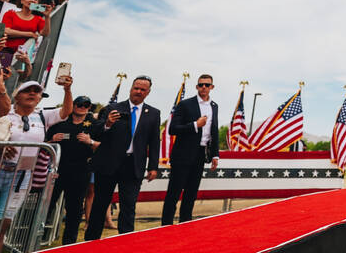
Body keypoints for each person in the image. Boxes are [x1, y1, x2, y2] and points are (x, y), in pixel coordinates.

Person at [0, 77, 73, 253]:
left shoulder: (43, 114)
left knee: (4, 223)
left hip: (21, 177)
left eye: (37, 92)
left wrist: (67, 90)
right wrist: (0, 146)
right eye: (28, 91)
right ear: (17, 96)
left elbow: (66, 112)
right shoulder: (4, 110)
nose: (33, 94)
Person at [84, 76, 160, 239]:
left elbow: (154, 142)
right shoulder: (112, 108)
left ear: (148, 92)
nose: (138, 91)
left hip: (133, 165)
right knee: (100, 204)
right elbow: (96, 133)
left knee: (128, 206)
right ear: (131, 88)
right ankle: (91, 241)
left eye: (142, 89)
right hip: (108, 163)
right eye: (136, 88)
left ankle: (125, 242)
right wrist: (108, 124)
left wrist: (153, 166)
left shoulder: (153, 113)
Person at [162, 74, 219, 225]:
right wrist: (195, 125)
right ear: (196, 87)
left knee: (191, 193)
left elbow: (214, 131)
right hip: (182, 154)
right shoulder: (185, 104)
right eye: (201, 85)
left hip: (201, 154)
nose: (204, 88)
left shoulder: (214, 106)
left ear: (212, 87)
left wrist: (215, 155)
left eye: (207, 85)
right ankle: (166, 225)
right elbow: (173, 129)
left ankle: (185, 223)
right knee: (174, 192)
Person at [44, 94, 97, 244]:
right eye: (78, 104)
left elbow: (104, 145)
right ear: (72, 105)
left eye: (86, 105)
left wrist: (90, 141)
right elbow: (44, 142)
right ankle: (40, 236)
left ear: (89, 108)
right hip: (57, 170)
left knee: (74, 209)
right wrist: (52, 140)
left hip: (80, 171)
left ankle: (69, 243)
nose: (81, 107)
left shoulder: (94, 124)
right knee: (47, 204)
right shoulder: (59, 122)